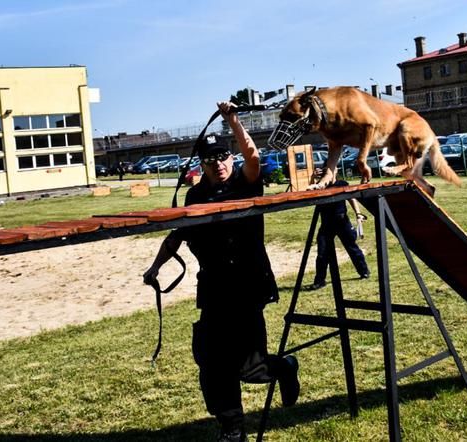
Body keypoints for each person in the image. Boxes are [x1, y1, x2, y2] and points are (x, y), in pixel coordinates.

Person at [143, 101, 300, 442]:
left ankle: (283, 368)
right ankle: (232, 429)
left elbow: (254, 157)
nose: (218, 164)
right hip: (214, 289)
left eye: (223, 157)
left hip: (248, 286)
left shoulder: (245, 183)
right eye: (210, 159)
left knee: (250, 368)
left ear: (231, 158)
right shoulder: (195, 195)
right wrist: (155, 267)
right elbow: (178, 234)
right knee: (212, 363)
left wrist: (233, 121)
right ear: (202, 164)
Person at [309, 167, 370, 290]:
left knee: (352, 248)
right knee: (322, 253)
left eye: (334, 169)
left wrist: (358, 214)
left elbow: (351, 198)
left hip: (342, 221)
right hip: (326, 224)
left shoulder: (342, 184)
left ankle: (364, 271)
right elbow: (309, 194)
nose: (332, 172)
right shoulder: (320, 186)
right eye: (329, 169)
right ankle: (320, 281)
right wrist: (312, 178)